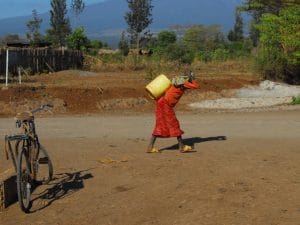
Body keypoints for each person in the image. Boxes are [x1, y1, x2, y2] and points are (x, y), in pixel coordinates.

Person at [147, 70, 199, 153]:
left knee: (160, 124)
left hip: (161, 102)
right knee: (174, 124)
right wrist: (191, 78)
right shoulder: (184, 82)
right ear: (189, 77)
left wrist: (189, 77)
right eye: (192, 76)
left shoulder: (178, 80)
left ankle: (150, 147)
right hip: (165, 104)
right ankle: (181, 146)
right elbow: (196, 86)